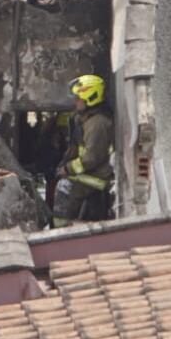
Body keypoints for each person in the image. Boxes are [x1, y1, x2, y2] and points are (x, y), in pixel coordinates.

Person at [54, 74, 114, 226]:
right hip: (89, 173)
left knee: (65, 187)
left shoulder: (97, 124)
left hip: (97, 177)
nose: (75, 102)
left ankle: (61, 231)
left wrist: (68, 169)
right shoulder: (86, 119)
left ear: (90, 98)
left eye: (78, 98)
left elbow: (92, 158)